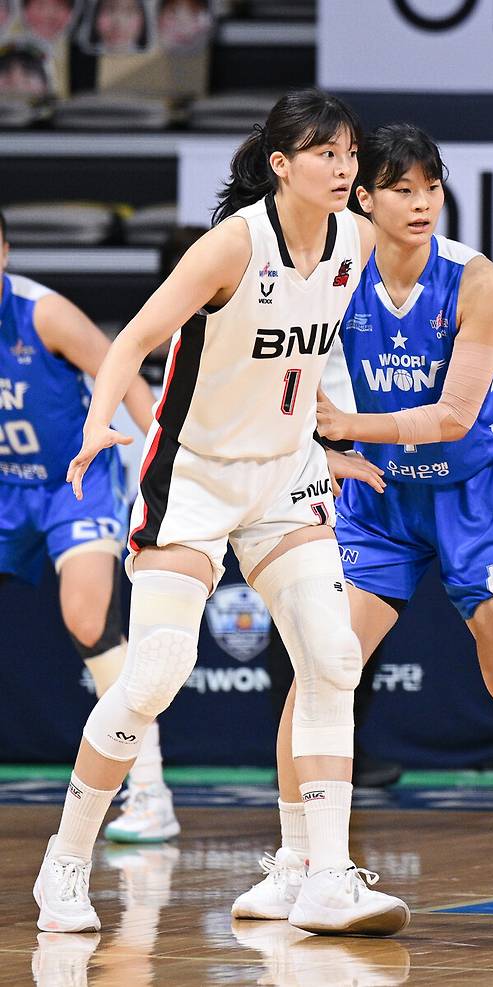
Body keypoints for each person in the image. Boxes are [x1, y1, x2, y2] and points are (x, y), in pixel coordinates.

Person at [33, 88, 410, 939]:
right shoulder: (233, 245)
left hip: (285, 477)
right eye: (326, 153)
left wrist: (328, 440)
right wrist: (98, 423)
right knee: (157, 670)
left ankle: (315, 874)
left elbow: (308, 358)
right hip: (194, 476)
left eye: (350, 153)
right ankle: (65, 861)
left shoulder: (354, 240)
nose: (344, 167)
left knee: (333, 656)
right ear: (281, 165)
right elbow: (133, 339)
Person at [233, 124, 493, 926]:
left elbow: (453, 415)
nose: (421, 203)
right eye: (401, 188)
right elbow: (274, 377)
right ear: (363, 198)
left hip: (472, 497)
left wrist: (347, 427)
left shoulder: (478, 281)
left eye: (431, 187)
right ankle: (298, 861)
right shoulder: (332, 273)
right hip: (380, 500)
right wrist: (322, 447)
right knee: (321, 672)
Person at [0, 210, 180, 845]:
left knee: (87, 619)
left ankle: (150, 792)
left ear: (6, 251)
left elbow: (120, 365)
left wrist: (164, 451)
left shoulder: (42, 313)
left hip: (70, 484)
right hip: (4, 487)